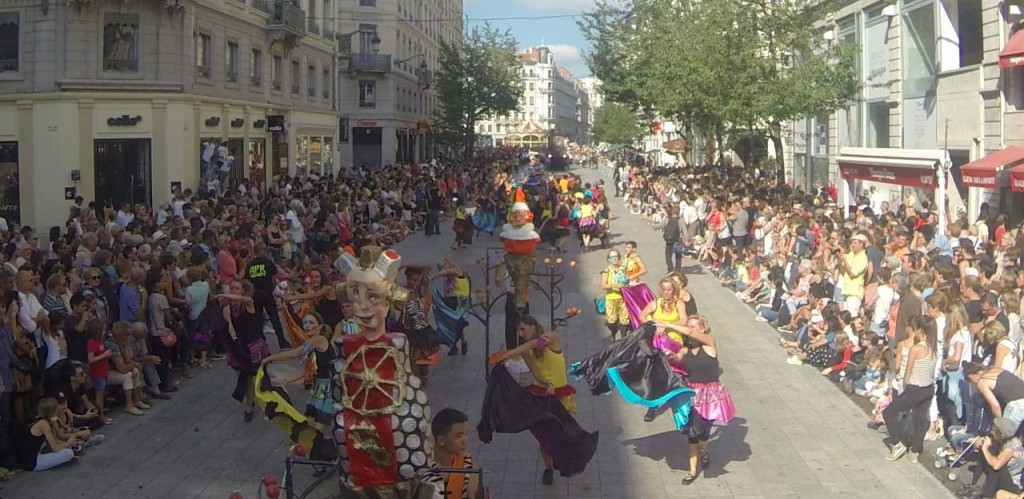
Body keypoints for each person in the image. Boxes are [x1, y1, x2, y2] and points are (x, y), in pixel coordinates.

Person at [489, 314, 576, 486]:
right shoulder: (526, 351)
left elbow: (537, 343)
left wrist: (510, 352)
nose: (520, 333)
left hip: (561, 394)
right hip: (540, 395)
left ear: (533, 327)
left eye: (522, 329)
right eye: (518, 330)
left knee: (563, 430)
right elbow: (536, 371)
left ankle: (560, 455)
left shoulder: (551, 338)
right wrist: (547, 382)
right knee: (544, 436)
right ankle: (549, 468)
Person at [656, 315, 735, 484]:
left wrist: (667, 325)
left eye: (694, 327)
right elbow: (677, 359)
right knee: (692, 432)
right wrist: (670, 355)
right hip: (693, 393)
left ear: (703, 329)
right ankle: (692, 471)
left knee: (704, 432)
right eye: (689, 326)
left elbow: (689, 332)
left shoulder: (709, 344)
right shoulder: (686, 350)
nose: (690, 329)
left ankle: (704, 452)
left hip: (711, 396)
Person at [260, 312, 336, 432]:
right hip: (319, 386)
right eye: (305, 322)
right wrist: (288, 380)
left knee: (319, 427)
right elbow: (307, 370)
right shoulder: (313, 345)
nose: (307, 325)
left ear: (320, 327)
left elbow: (293, 354)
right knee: (315, 424)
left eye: (311, 322)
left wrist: (269, 358)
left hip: (328, 386)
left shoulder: (319, 339)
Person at [883, 315, 938, 463]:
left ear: (920, 330)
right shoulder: (934, 347)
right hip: (928, 387)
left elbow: (908, 372)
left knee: (888, 412)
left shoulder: (916, 348)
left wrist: (905, 386)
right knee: (920, 419)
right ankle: (914, 451)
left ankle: (896, 443)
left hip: (915, 388)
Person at [16, 398, 78, 471]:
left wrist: (70, 443)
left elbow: (55, 440)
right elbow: (55, 448)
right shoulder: (43, 424)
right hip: (33, 462)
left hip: (30, 457)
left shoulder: (41, 420)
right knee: (69, 453)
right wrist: (69, 443)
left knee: (67, 448)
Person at [432, 408, 480, 499]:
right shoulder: (422, 464)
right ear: (441, 440)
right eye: (459, 436)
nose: (465, 441)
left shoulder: (467, 463)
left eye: (466, 434)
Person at [600, 250, 631, 340]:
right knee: (611, 322)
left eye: (616, 256)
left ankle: (623, 338)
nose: (615, 259)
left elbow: (628, 280)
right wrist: (613, 286)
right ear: (609, 259)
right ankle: (613, 333)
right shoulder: (607, 271)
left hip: (623, 298)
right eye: (612, 257)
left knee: (624, 320)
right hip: (611, 298)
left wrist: (626, 283)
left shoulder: (623, 269)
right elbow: (603, 285)